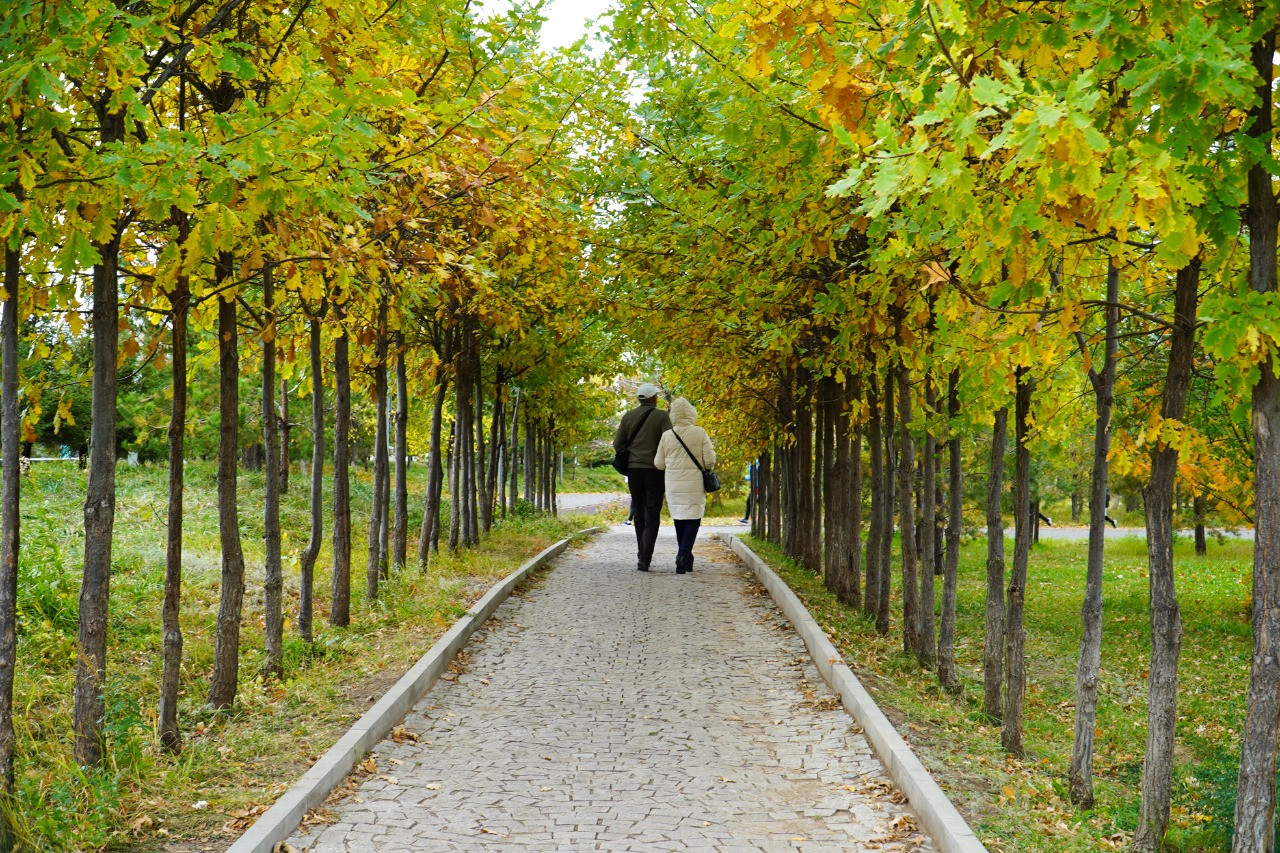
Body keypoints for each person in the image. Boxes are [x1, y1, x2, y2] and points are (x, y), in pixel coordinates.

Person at [614, 383, 672, 571]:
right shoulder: (662, 416)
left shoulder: (628, 416)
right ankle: (645, 557)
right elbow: (668, 442)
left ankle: (641, 553)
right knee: (652, 513)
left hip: (634, 471)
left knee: (638, 512)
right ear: (654, 398)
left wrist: (631, 456)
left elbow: (617, 443)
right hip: (655, 470)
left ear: (639, 398)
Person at [655, 397, 716, 574]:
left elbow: (659, 463)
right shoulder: (700, 432)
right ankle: (683, 554)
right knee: (693, 520)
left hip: (673, 484)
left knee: (680, 519)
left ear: (673, 415)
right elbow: (710, 460)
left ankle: (686, 558)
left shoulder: (667, 435)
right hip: (695, 483)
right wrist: (705, 467)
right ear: (691, 414)